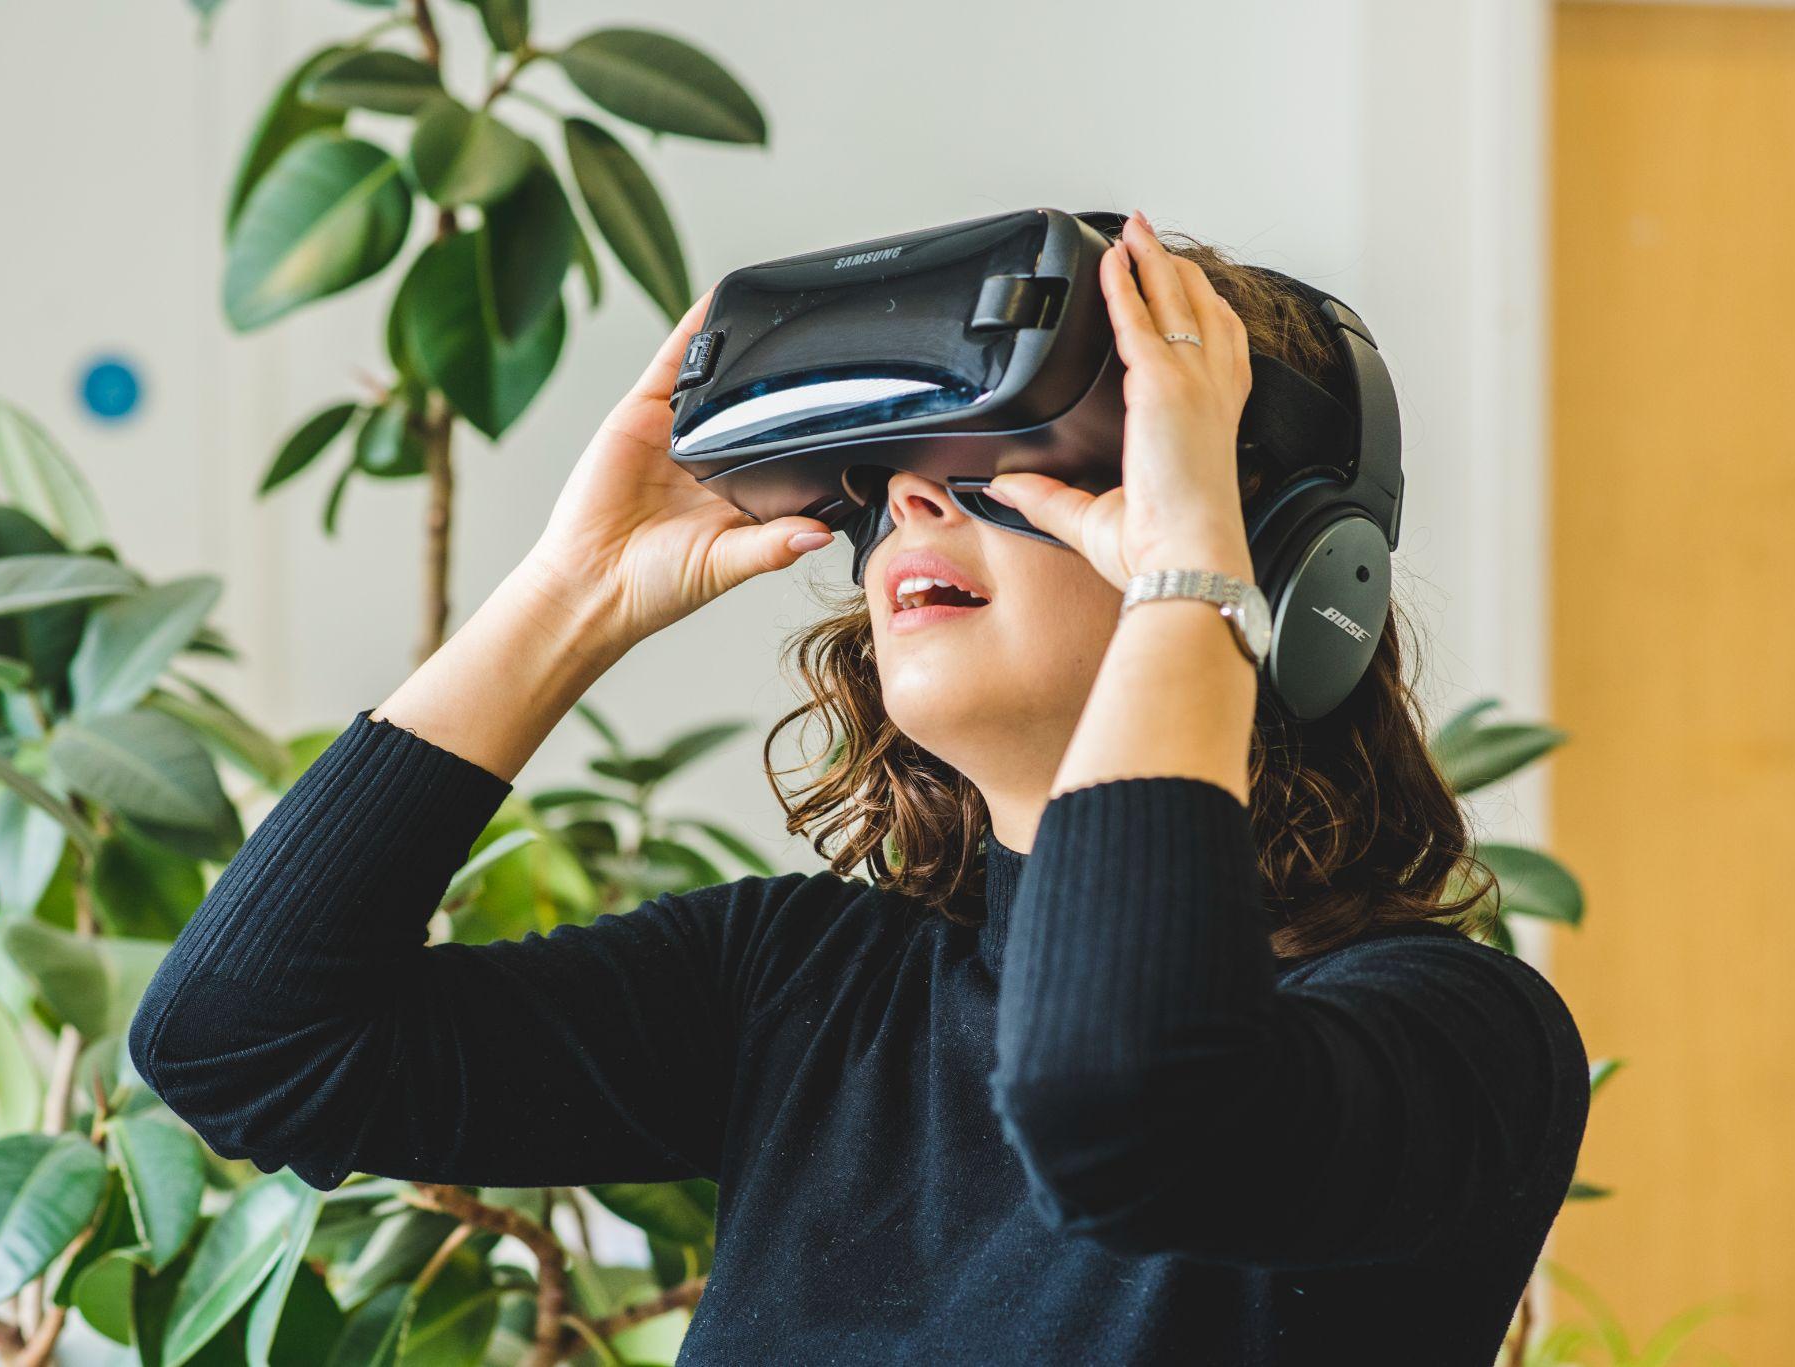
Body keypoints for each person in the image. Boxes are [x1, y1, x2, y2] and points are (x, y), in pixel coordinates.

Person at [129, 209, 1589, 1364]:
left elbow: (1131, 1107)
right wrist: (573, 592)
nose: (912, 496)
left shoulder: (1452, 1034)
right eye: (888, 471)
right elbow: (246, 1045)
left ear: (1280, 548)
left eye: (1022, 455)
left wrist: (1193, 583)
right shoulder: (806, 985)